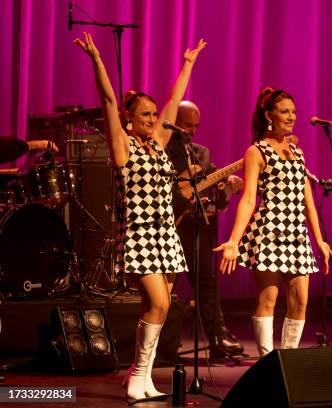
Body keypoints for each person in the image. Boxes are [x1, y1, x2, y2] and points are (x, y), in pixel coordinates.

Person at [74, 32, 205, 403]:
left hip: (166, 236)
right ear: (129, 118)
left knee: (157, 306)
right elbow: (108, 98)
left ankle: (142, 377)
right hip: (140, 234)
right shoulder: (124, 145)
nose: (152, 119)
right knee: (160, 303)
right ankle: (136, 374)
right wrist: (97, 60)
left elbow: (173, 102)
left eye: (153, 115)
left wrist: (188, 64)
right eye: (144, 115)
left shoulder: (158, 145)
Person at [214, 87, 332, 357]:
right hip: (269, 232)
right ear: (269, 115)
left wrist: (320, 240)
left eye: (293, 111)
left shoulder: (297, 152)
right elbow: (248, 199)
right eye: (284, 111)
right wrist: (234, 240)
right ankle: (268, 362)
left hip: (296, 234)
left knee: (300, 301)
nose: (291, 116)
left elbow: (308, 202)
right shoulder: (257, 151)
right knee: (268, 300)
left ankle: (288, 361)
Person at [165, 100, 245, 358]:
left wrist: (228, 188)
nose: (192, 131)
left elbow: (215, 196)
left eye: (196, 126)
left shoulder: (201, 153)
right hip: (168, 227)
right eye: (187, 125)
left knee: (206, 282)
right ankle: (161, 344)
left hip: (196, 226)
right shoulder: (161, 149)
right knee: (164, 286)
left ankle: (216, 339)